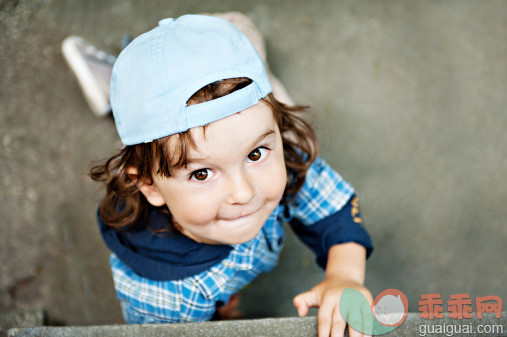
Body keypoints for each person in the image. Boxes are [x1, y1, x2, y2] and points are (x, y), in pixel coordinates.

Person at [81, 13, 373, 337]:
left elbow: (334, 210)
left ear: (277, 132)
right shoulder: (164, 300)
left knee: (243, 49)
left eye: (255, 154)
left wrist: (344, 276)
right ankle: (116, 85)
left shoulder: (285, 156)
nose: (244, 193)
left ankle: (132, 87)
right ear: (149, 185)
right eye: (202, 173)